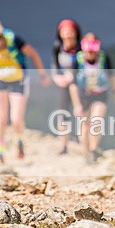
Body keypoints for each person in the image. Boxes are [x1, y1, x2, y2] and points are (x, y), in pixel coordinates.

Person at [0, 18, 50, 163]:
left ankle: (19, 141)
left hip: (18, 79)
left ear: (2, 39)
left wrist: (42, 74)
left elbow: (33, 54)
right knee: (1, 117)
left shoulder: (15, 41)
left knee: (16, 118)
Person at [69, 33, 115, 163]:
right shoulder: (78, 60)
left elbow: (111, 75)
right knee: (84, 126)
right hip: (83, 95)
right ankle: (85, 154)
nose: (90, 54)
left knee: (96, 121)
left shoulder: (103, 58)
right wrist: (76, 104)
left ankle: (93, 148)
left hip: (100, 94)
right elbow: (73, 84)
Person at [51, 18, 82, 154]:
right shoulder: (58, 47)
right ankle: (63, 145)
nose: (68, 34)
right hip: (64, 84)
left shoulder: (81, 48)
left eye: (70, 31)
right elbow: (55, 66)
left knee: (80, 112)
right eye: (64, 31)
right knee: (63, 113)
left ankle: (84, 143)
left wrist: (73, 76)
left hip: (79, 84)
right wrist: (57, 77)